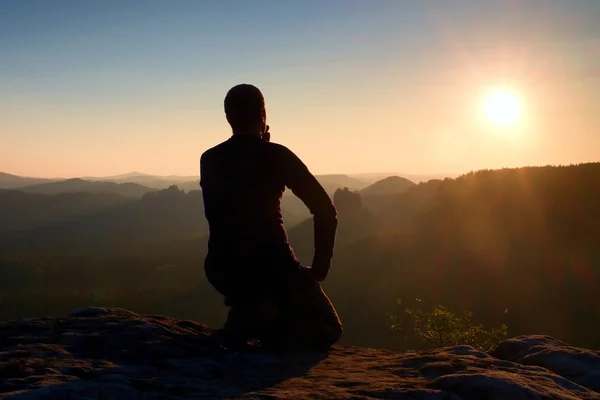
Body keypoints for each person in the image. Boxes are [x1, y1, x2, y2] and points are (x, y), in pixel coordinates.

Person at [200, 84, 342, 351]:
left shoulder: (209, 159)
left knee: (257, 293)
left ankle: (253, 308)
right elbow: (325, 210)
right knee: (328, 328)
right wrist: (320, 268)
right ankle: (264, 323)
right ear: (263, 115)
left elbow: (234, 201)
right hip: (273, 267)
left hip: (221, 268)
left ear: (228, 117)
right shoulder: (277, 155)